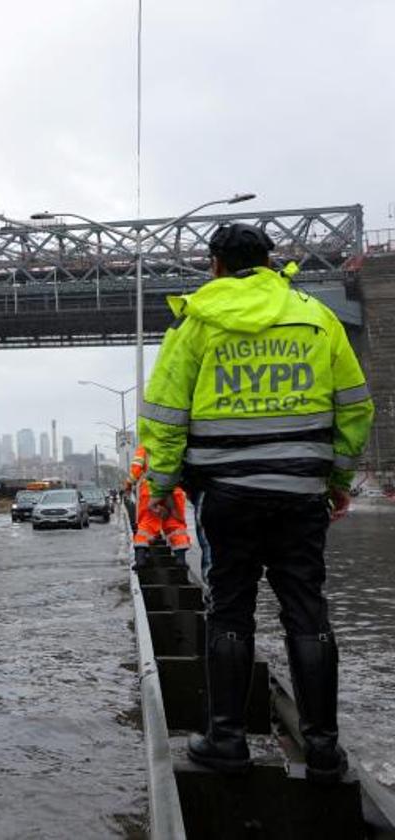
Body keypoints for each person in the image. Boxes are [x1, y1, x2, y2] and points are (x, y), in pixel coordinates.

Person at [138, 222, 373, 783]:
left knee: (229, 611)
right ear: (271, 263)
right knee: (307, 613)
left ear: (214, 263)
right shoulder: (316, 318)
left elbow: (164, 417)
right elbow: (355, 408)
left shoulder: (197, 321)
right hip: (300, 496)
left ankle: (227, 742)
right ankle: (323, 751)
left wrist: (164, 489)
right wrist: (338, 479)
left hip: (226, 497)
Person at [128, 444, 190, 570]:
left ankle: (140, 559)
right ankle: (180, 560)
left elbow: (137, 468)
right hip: (174, 486)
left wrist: (129, 482)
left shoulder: (146, 444)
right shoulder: (177, 442)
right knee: (176, 525)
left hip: (151, 488)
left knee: (146, 524)